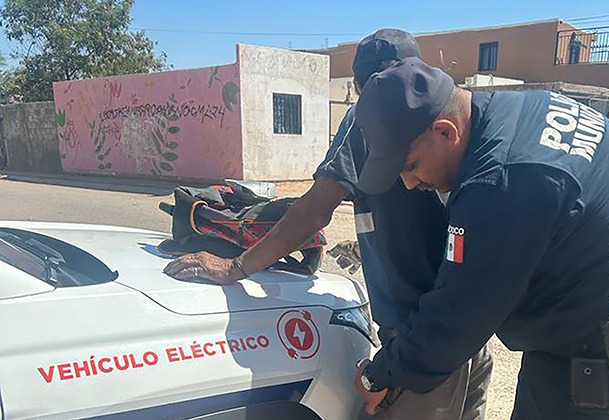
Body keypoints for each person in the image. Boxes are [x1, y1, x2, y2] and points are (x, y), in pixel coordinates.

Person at [163, 29, 491, 420]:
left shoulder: (369, 113)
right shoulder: (457, 114)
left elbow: (315, 209)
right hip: (471, 326)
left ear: (359, 86)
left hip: (421, 339)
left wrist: (235, 268)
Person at [351, 57, 609, 419]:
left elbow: (457, 317)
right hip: (597, 348)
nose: (409, 183)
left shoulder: (503, 180)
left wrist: (379, 375)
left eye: (412, 165)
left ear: (445, 132)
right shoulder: (527, 109)